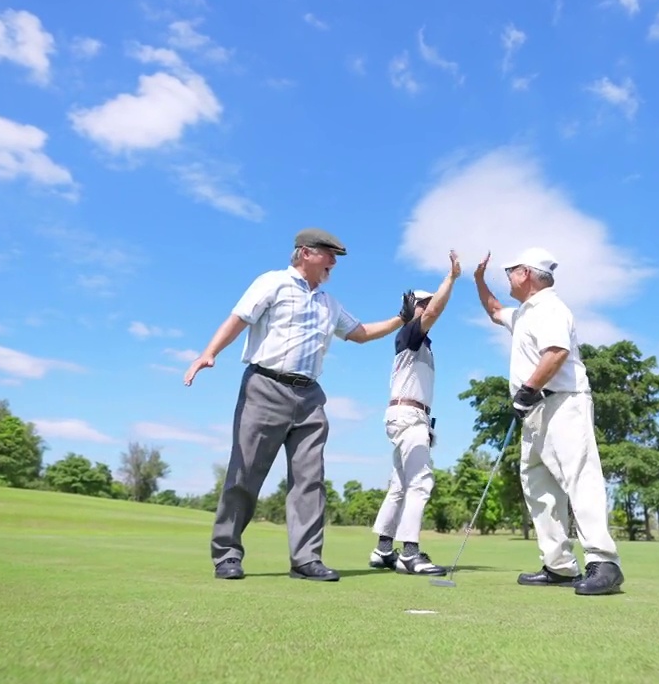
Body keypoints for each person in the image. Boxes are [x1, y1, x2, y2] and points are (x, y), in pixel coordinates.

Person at [183, 227, 418, 583]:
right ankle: (227, 554)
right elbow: (238, 319)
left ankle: (306, 559)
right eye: (329, 254)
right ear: (305, 253)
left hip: (310, 397)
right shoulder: (272, 283)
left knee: (310, 480)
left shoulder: (329, 303)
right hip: (265, 386)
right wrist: (209, 353)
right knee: (245, 473)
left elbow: (361, 334)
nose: (334, 263)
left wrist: (401, 318)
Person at [470, 246, 625, 596]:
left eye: (510, 271)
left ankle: (605, 563)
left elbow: (556, 353)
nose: (506, 276)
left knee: (579, 479)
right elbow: (494, 310)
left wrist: (527, 390)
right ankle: (559, 565)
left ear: (526, 273)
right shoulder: (525, 312)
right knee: (539, 487)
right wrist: (478, 280)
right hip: (536, 409)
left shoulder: (551, 308)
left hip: (563, 403)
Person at [368, 250, 461, 576]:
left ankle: (383, 550)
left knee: (400, 485)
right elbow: (435, 310)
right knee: (421, 482)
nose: (430, 308)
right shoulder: (409, 333)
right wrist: (451, 278)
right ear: (414, 309)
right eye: (424, 304)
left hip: (407, 417)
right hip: (409, 418)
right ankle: (409, 553)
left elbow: (433, 310)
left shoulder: (420, 342)